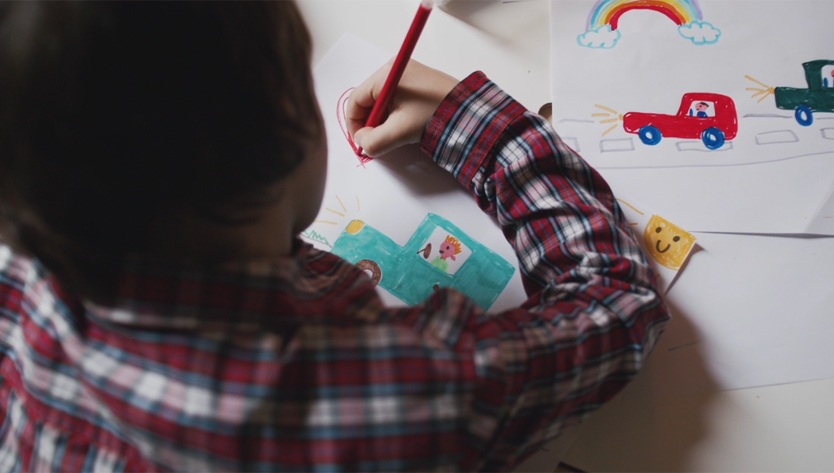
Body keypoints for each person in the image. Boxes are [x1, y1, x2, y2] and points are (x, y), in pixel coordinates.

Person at [0, 2, 670, 471]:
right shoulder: (381, 407)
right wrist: (477, 124)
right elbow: (614, 300)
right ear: (288, 134)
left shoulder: (20, 273)